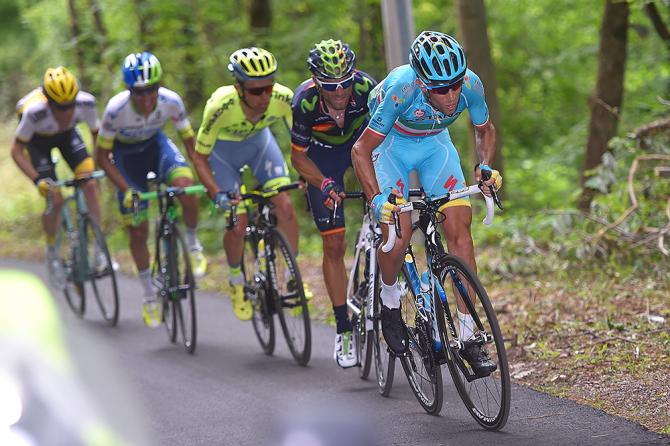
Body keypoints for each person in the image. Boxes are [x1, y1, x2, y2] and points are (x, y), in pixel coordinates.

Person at [351, 31, 503, 375]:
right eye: (439, 88)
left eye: (454, 85)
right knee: (399, 233)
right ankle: (390, 299)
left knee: (461, 232)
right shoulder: (400, 89)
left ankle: (467, 336)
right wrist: (377, 201)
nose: (450, 96)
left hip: (436, 145)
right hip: (390, 148)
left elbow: (485, 129)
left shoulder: (471, 85)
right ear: (421, 82)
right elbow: (360, 149)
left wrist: (484, 166)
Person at [96, 52, 207, 328]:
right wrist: (126, 189)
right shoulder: (115, 110)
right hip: (126, 158)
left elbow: (192, 145)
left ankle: (192, 244)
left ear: (160, 86)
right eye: (139, 93)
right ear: (128, 90)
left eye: (152, 91)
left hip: (157, 146)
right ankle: (148, 294)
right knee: (138, 228)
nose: (146, 99)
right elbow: (101, 157)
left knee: (186, 189)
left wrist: (206, 178)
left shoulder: (171, 102)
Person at [191, 47, 302, 321]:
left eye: (268, 87)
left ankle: (292, 278)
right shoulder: (219, 106)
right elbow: (199, 158)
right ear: (239, 88)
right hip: (223, 157)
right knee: (237, 224)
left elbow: (301, 143)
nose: (265, 96)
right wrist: (216, 193)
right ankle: (236, 281)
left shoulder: (284, 98)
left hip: (260, 147)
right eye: (256, 91)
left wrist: (309, 175)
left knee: (285, 205)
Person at [290, 39, 377, 368]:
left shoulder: (368, 88)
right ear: (316, 81)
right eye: (331, 85)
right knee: (334, 243)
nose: (340, 91)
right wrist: (324, 183)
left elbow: (386, 134)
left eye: (345, 82)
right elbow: (298, 158)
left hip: (361, 148)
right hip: (322, 160)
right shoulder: (305, 101)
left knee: (390, 215)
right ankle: (343, 329)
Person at [10, 66, 105, 286]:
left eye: (70, 106)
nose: (66, 113)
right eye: (59, 108)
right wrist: (37, 180)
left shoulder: (86, 103)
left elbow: (97, 138)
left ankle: (99, 247)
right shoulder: (33, 113)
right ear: (48, 102)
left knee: (90, 184)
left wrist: (99, 168)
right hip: (38, 143)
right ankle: (52, 250)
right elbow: (16, 151)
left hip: (68, 137)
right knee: (55, 198)